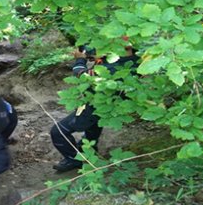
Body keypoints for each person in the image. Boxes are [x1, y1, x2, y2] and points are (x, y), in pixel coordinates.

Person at [51, 40, 139, 172]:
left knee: (57, 132)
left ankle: (74, 160)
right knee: (94, 125)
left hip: (96, 103)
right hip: (107, 104)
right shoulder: (134, 60)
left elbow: (82, 75)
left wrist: (80, 60)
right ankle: (89, 149)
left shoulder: (114, 67)